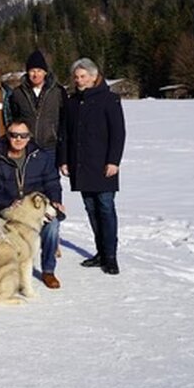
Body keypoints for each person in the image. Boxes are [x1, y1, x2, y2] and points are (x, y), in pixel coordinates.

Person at [60, 57, 126, 275]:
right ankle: (100, 253)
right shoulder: (71, 102)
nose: (79, 80)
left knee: (105, 208)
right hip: (81, 165)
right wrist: (64, 160)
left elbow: (118, 133)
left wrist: (113, 161)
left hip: (103, 165)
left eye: (83, 76)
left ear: (94, 76)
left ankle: (111, 256)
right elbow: (65, 134)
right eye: (76, 77)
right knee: (91, 209)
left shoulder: (109, 99)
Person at [0, 119, 64, 288]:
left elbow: (52, 182)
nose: (18, 139)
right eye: (14, 135)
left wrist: (55, 200)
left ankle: (48, 271)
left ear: (29, 137)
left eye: (23, 135)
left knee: (52, 227)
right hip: (8, 210)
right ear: (7, 136)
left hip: (35, 209)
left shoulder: (40, 156)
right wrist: (8, 203)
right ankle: (5, 271)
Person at [7, 50, 65, 162]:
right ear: (27, 72)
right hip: (27, 145)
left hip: (51, 146)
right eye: (32, 71)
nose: (35, 74)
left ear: (45, 72)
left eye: (39, 71)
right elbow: (14, 117)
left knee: (51, 178)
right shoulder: (18, 93)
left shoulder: (58, 91)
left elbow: (64, 118)